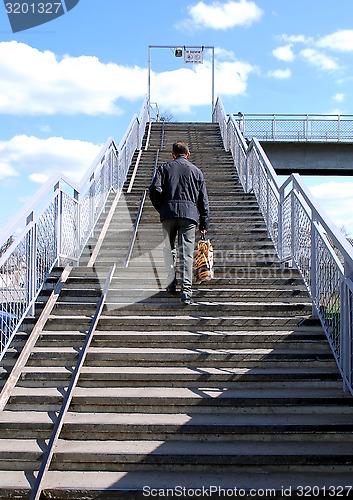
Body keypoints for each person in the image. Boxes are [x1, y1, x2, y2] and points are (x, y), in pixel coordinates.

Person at [149, 141, 209, 304]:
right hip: (189, 215)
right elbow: (203, 200)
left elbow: (154, 189)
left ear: (173, 154)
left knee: (169, 249)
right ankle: (186, 292)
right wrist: (204, 223)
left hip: (168, 214)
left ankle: (171, 283)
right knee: (187, 253)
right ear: (188, 155)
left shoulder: (163, 168)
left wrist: (161, 207)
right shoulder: (196, 172)